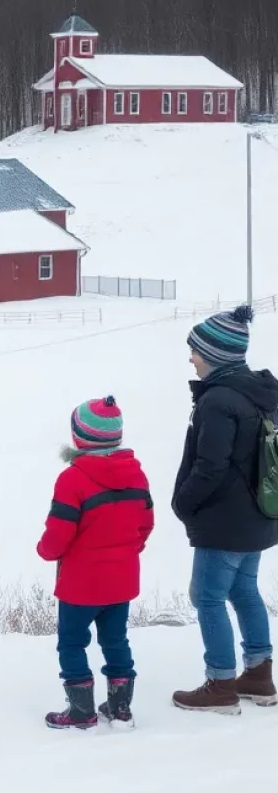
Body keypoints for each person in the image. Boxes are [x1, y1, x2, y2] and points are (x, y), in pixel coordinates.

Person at [172, 305, 278, 713]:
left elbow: (210, 465)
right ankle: (258, 673)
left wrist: (184, 503)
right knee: (243, 590)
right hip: (256, 513)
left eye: (196, 351)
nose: (192, 359)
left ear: (215, 355)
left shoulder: (218, 400)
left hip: (226, 520)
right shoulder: (258, 392)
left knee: (207, 596)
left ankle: (220, 684)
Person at [37, 396, 154, 730]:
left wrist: (45, 551)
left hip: (80, 585)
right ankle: (120, 709)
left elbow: (58, 534)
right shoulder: (137, 475)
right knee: (116, 641)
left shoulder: (72, 479)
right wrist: (126, 553)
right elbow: (145, 524)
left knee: (72, 643)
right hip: (122, 582)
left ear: (79, 438)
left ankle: (81, 711)